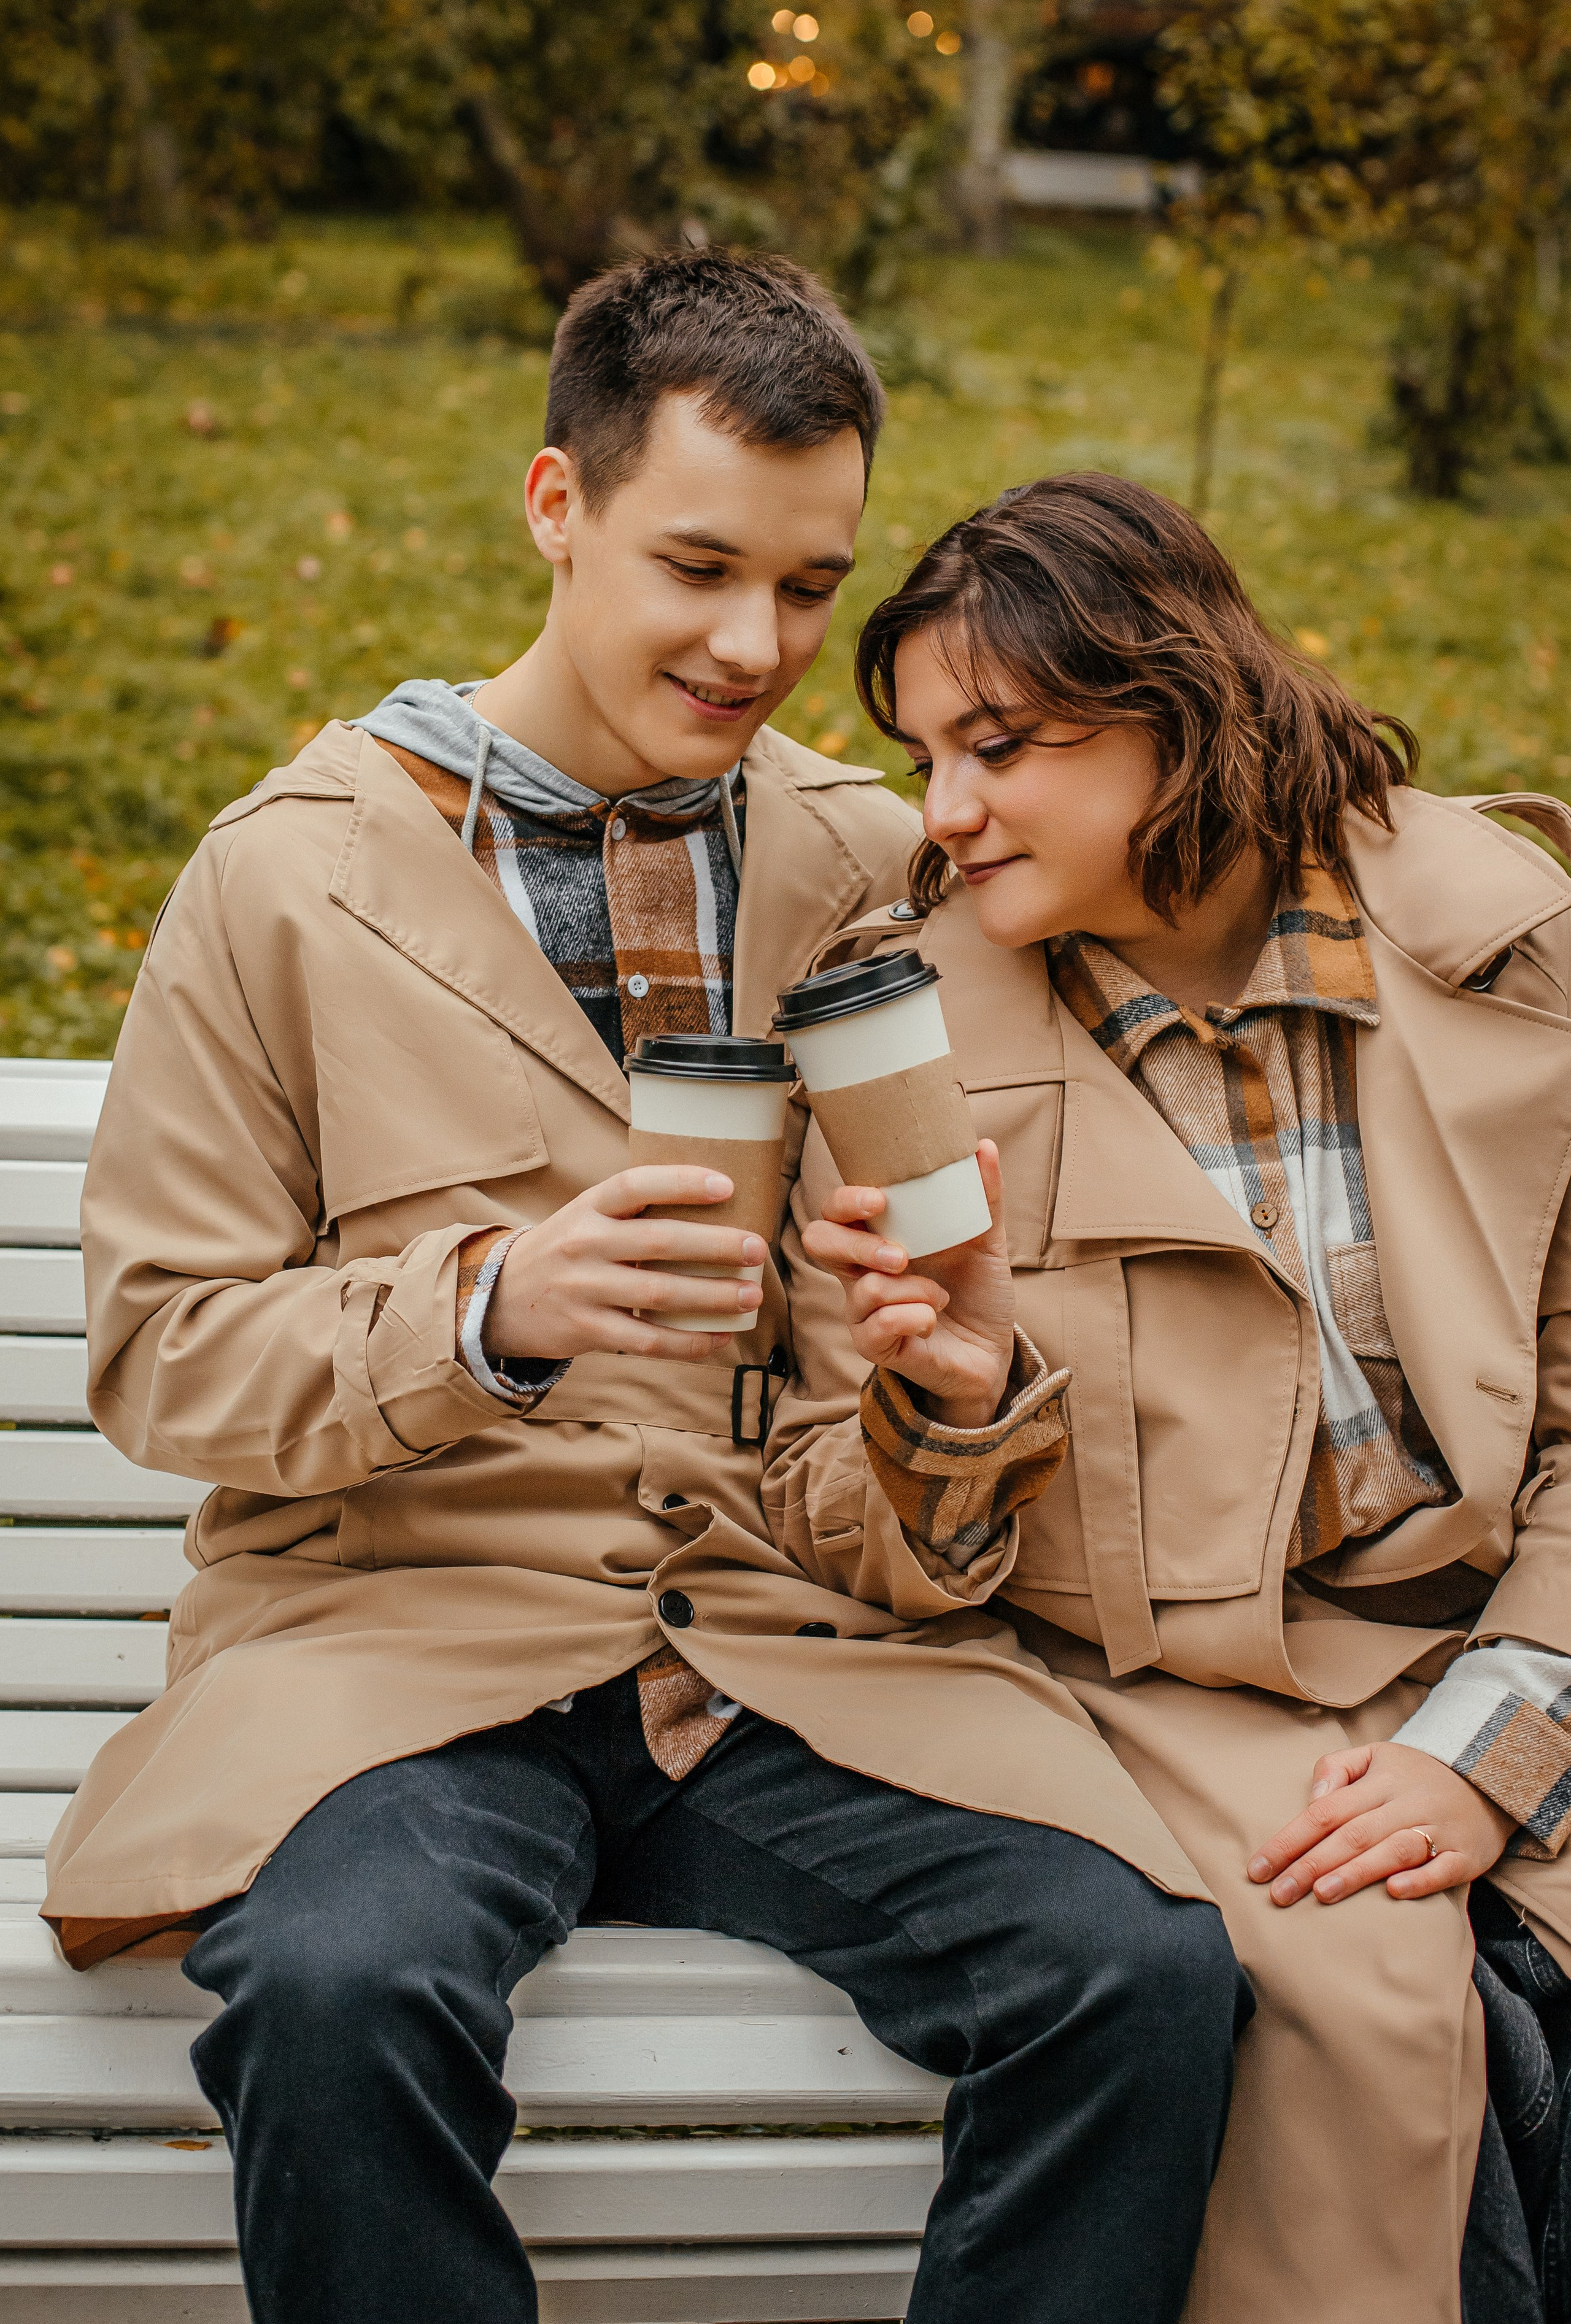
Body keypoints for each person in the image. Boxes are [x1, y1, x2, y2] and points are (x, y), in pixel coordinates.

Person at [47, 269, 1246, 2324]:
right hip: (395, 1658)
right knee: (338, 1994)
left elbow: (927, 1356)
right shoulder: (287, 876)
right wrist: (489, 1307)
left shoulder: (876, 865)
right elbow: (163, 1357)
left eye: (808, 586)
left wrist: (940, 1396)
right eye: (699, 565)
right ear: (554, 506)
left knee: (1140, 1975)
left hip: (782, 1655)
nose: (755, 647)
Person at [779, 468, 1571, 2324]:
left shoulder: (1508, 947)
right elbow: (831, 1526)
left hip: (1510, 1623)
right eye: (919, 760)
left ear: (1181, 704)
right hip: (1166, 1693)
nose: (948, 813)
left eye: (1000, 744)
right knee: (1369, 1999)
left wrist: (1499, 1745)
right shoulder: (900, 1043)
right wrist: (955, 1406)